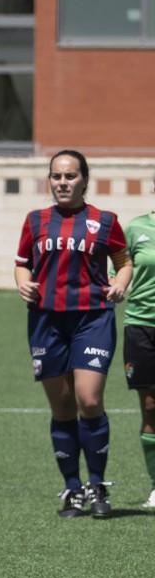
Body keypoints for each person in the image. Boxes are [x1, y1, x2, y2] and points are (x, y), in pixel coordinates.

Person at [14, 149, 132, 518]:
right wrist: (23, 284)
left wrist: (120, 284)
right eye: (56, 177)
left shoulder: (104, 220)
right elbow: (21, 264)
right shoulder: (35, 221)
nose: (62, 183)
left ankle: (98, 485)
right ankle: (71, 488)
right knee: (62, 406)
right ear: (49, 180)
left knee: (89, 400)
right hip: (47, 321)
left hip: (92, 319)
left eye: (70, 176)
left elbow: (123, 261)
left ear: (84, 179)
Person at [122, 175, 155, 509]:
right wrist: (117, 284)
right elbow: (124, 264)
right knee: (150, 406)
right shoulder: (135, 228)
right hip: (141, 326)